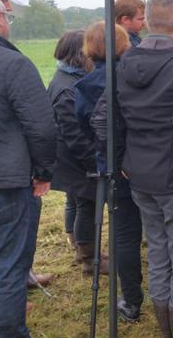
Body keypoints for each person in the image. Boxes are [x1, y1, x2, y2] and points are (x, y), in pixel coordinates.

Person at [94, 0, 173, 337]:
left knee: (161, 254)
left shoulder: (125, 63)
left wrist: (122, 158)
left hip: (142, 177)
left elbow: (102, 120)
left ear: (149, 22)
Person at [0, 0, 56, 337]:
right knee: (9, 268)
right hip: (4, 186)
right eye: (6, 17)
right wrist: (43, 173)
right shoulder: (13, 63)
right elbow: (41, 126)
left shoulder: (11, 63)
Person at [76, 22, 144, 322]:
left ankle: (131, 299)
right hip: (147, 160)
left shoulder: (85, 87)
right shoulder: (138, 75)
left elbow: (83, 127)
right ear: (124, 43)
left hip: (114, 168)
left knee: (125, 234)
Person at [47, 31, 107, 276]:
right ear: (78, 54)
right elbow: (76, 136)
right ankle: (89, 259)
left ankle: (78, 245)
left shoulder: (67, 78)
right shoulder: (67, 89)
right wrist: (94, 162)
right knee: (87, 203)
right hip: (75, 160)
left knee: (76, 201)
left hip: (69, 158)